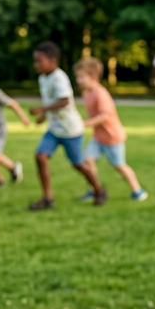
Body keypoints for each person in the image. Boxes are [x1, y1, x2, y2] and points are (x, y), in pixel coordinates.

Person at [27, 41, 105, 210]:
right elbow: (51, 100)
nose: (36, 65)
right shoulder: (43, 78)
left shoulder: (59, 77)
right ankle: (47, 199)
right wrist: (44, 116)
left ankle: (99, 190)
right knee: (40, 157)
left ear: (52, 60)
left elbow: (64, 101)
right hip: (55, 129)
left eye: (39, 61)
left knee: (78, 164)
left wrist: (43, 109)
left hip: (71, 130)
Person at [73, 57, 149, 201]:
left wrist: (84, 124)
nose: (79, 81)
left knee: (119, 165)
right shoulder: (86, 93)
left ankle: (137, 191)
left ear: (93, 76)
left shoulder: (100, 93)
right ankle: (95, 189)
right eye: (78, 77)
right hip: (98, 136)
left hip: (112, 137)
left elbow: (104, 116)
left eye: (82, 77)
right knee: (87, 160)